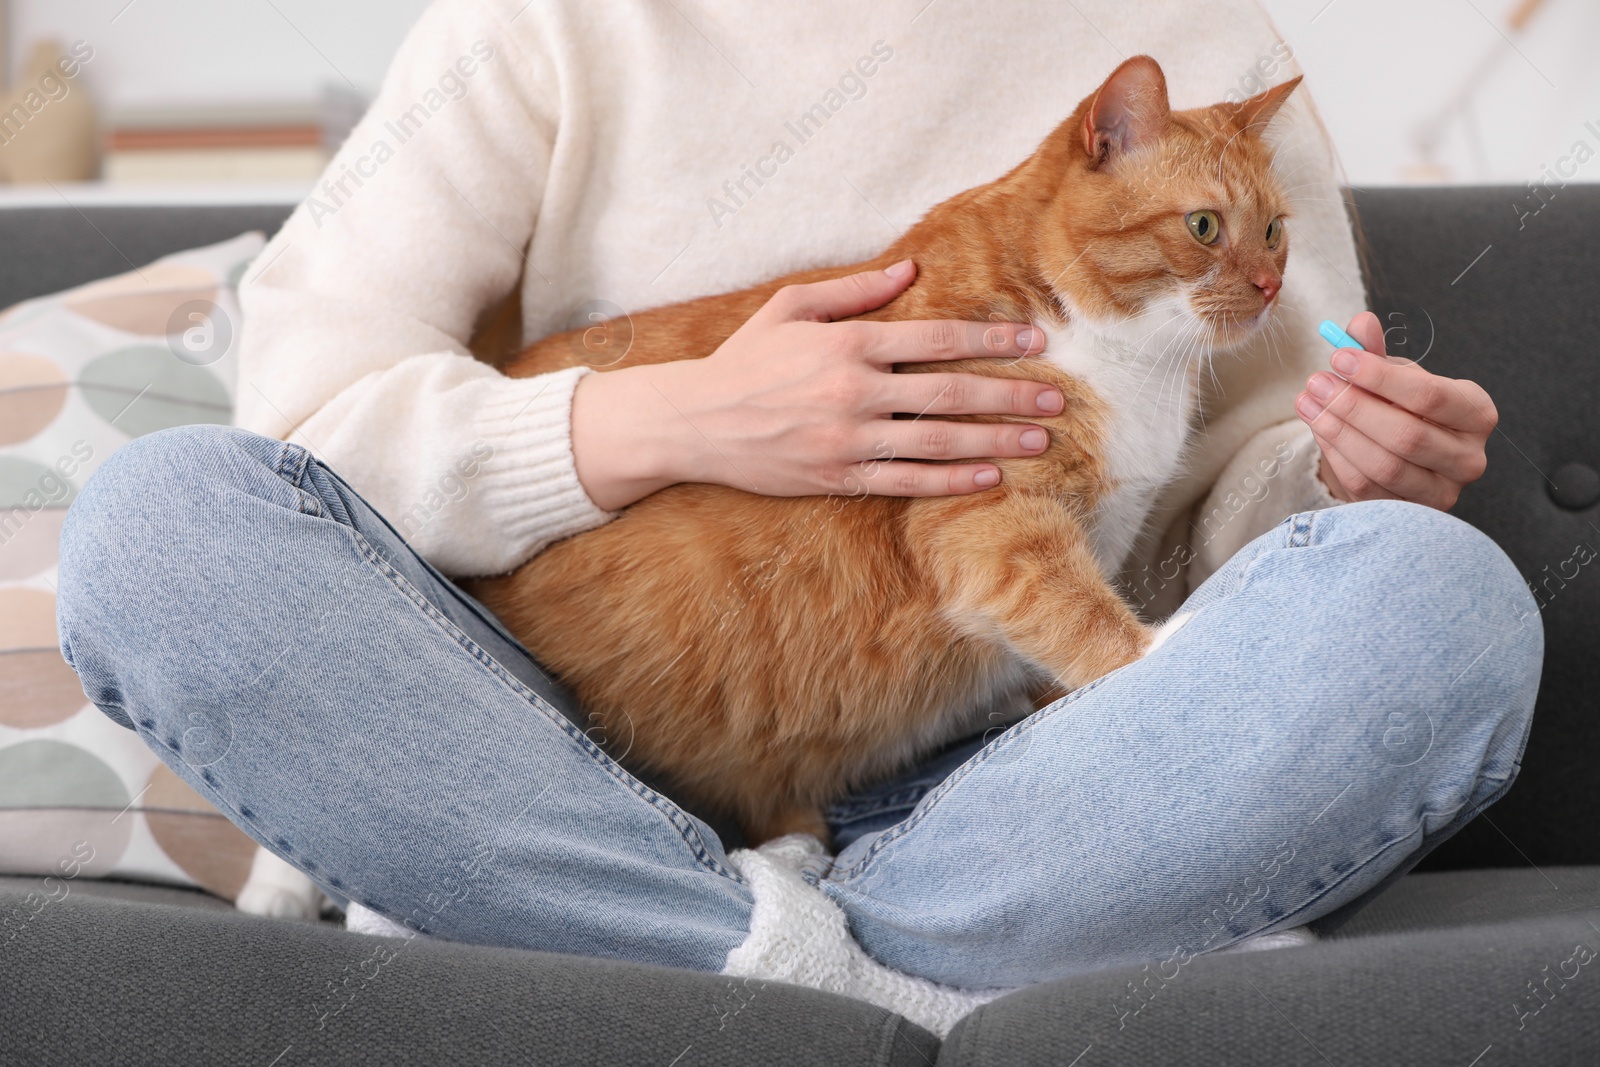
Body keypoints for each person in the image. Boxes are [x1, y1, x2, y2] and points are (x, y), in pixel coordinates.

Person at [55, 0, 1538, 1035]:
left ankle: (665, 946)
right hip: (570, 745)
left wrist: (1343, 476)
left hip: (1030, 772)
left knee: (1437, 603)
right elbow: (302, 430)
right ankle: (905, 971)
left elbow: (1244, 502)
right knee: (158, 527)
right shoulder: (552, 23)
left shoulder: (1201, 47)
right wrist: (675, 416)